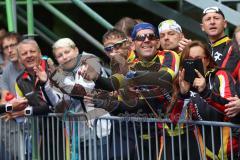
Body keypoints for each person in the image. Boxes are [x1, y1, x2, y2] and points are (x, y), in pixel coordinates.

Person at [166, 40, 239, 159]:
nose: (194, 63)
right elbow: (174, 125)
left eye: (198, 59)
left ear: (207, 60)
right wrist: (182, 95)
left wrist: (205, 92)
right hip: (202, 153)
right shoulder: (181, 81)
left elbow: (230, 109)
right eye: (189, 59)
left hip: (229, 150)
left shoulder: (220, 75)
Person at [201, 6, 240, 80]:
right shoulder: (202, 50)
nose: (212, 22)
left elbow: (223, 78)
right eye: (208, 19)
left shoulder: (234, 46)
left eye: (216, 18)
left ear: (225, 24)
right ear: (202, 27)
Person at [0, 32, 23, 103]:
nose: (9, 50)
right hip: (16, 111)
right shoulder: (6, 71)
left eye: (12, 45)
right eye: (6, 47)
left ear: (21, 45)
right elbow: (4, 100)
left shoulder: (31, 65)